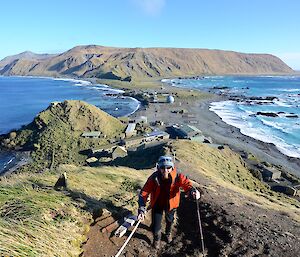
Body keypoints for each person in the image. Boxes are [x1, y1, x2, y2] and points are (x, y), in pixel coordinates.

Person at [137, 155, 201, 249]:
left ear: (172, 167)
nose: (165, 170)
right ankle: (157, 239)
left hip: (171, 205)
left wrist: (192, 191)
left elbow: (186, 184)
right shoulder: (154, 178)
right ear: (158, 167)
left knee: (169, 221)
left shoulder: (178, 177)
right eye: (162, 167)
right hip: (157, 204)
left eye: (168, 167)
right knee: (156, 224)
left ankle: (167, 233)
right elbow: (144, 192)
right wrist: (141, 208)